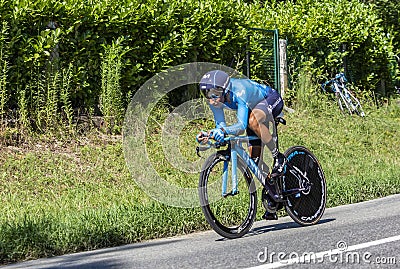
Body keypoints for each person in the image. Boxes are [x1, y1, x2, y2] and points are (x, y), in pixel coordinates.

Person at [196, 70, 286, 220]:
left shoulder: (240, 91)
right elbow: (221, 126)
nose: (212, 100)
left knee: (252, 121)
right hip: (253, 109)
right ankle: (274, 197)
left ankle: (278, 156)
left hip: (270, 98)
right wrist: (211, 135)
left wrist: (223, 131)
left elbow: (241, 126)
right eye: (207, 95)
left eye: (215, 94)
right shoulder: (214, 102)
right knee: (255, 163)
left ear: (225, 90)